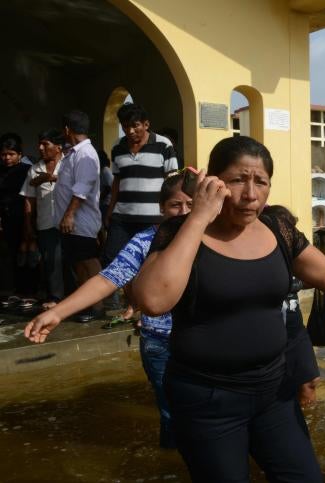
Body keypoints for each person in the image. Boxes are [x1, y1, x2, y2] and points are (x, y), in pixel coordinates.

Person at [131, 136, 325, 482]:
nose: (250, 194)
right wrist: (198, 218)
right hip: (207, 400)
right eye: (238, 180)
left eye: (260, 182)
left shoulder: (277, 229)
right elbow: (152, 300)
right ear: (214, 182)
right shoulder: (180, 231)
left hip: (273, 392)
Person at [25, 172, 192, 449]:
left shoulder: (209, 239)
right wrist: (58, 313)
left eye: (191, 204)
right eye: (176, 205)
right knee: (171, 412)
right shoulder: (144, 241)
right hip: (160, 343)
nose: (183, 212)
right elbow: (108, 278)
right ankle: (172, 461)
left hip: (203, 342)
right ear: (161, 207)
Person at [103, 103, 178, 268]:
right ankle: (116, 294)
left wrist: (170, 213)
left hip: (153, 219)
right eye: (125, 126)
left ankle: (137, 294)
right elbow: (117, 180)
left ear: (146, 124)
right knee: (111, 259)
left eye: (135, 125)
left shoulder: (163, 144)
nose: (130, 131)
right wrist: (110, 209)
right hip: (122, 218)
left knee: (148, 264)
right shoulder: (117, 146)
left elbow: (172, 182)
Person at [54, 110, 103, 321]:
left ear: (67, 129)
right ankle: (87, 305)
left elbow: (82, 188)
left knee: (88, 262)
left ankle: (98, 306)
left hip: (81, 222)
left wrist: (69, 215)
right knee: (79, 264)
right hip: (72, 223)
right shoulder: (73, 153)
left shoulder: (85, 154)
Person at [19, 129, 65, 306]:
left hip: (69, 221)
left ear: (58, 147)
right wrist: (29, 225)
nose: (40, 148)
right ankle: (55, 297)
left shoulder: (68, 165)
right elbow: (29, 199)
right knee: (50, 261)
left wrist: (51, 178)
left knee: (69, 260)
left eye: (45, 144)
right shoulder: (34, 169)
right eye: (40, 144)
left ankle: (74, 297)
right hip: (45, 221)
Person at [0, 132, 36, 299]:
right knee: (15, 254)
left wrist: (29, 222)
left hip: (25, 218)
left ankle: (31, 290)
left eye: (11, 154)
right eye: (4, 154)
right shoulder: (1, 172)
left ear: (19, 155)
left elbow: (29, 197)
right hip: (8, 220)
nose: (7, 158)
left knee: (30, 253)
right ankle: (19, 289)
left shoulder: (26, 171)